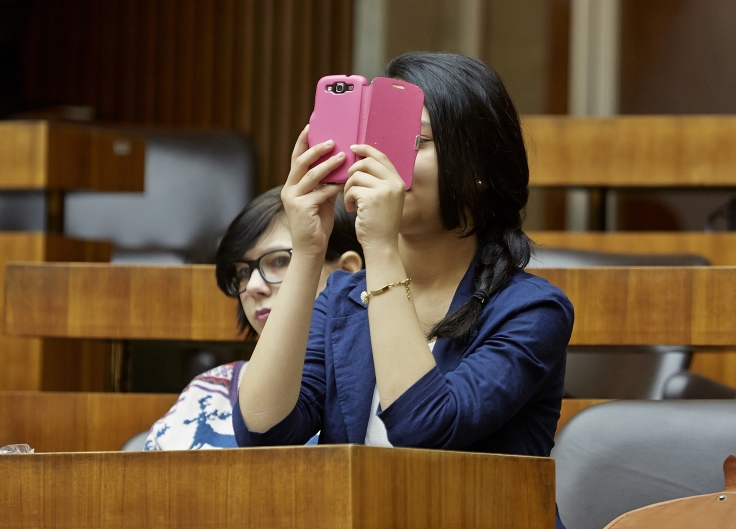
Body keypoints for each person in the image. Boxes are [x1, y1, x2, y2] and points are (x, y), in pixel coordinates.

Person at [233, 52, 573, 529]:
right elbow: (263, 431)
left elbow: (424, 428)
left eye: (415, 140)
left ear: (478, 167)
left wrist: (379, 247)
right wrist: (308, 251)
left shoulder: (532, 310)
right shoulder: (343, 299)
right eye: (373, 138)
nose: (382, 159)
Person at [144, 186, 363, 450]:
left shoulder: (374, 389)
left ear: (347, 272)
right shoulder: (206, 392)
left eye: (280, 261)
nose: (252, 286)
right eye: (243, 272)